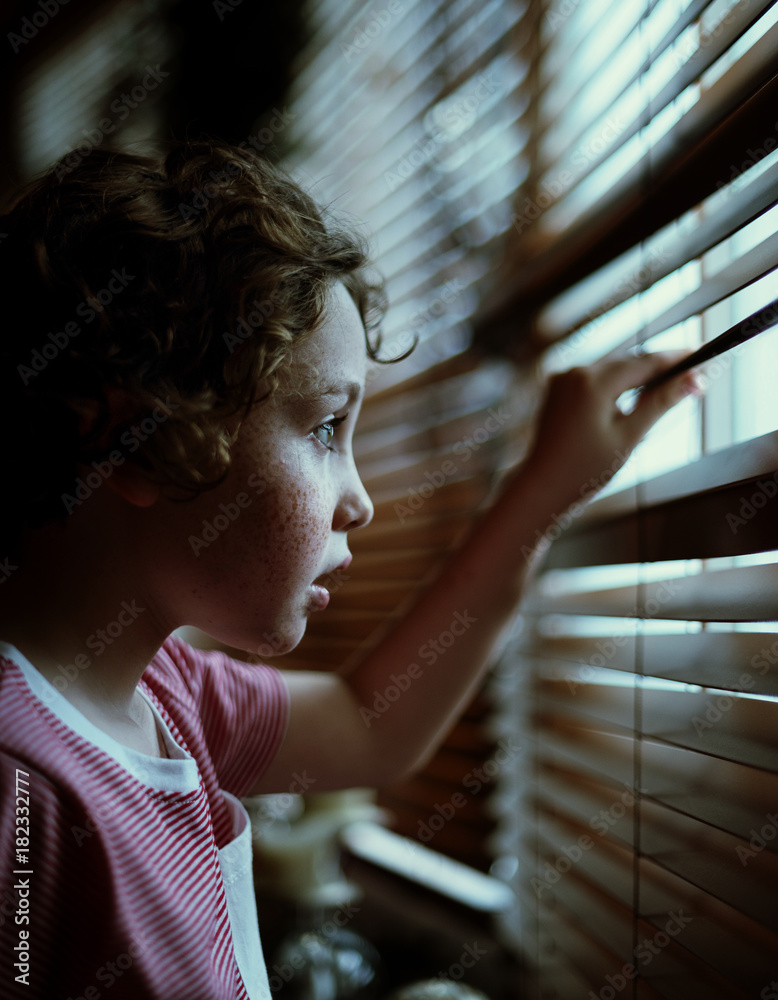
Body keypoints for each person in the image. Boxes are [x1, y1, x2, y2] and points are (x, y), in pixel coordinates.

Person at [0, 139, 699, 999]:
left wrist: (540, 496)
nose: (361, 500)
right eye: (327, 427)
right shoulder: (19, 786)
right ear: (136, 440)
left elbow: (372, 725)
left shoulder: (163, 694)